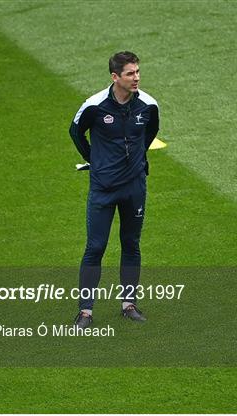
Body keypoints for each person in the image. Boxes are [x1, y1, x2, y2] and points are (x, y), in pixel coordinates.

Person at [69, 51, 159, 327]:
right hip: (103, 189)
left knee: (131, 245)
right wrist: (95, 160)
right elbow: (75, 132)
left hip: (134, 187)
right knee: (95, 247)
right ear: (115, 77)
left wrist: (134, 161)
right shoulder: (94, 106)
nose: (137, 78)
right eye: (130, 73)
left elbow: (150, 133)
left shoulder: (148, 105)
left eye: (138, 72)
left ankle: (128, 304)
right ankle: (85, 311)